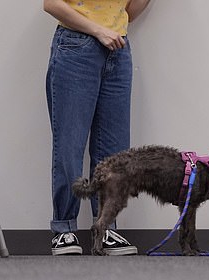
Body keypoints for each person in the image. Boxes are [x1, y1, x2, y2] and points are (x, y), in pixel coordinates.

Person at [44, 0, 152, 255]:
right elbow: (51, 4)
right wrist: (97, 31)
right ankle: (64, 229)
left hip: (118, 49)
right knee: (69, 144)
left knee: (114, 150)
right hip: (75, 46)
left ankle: (105, 228)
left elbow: (127, 13)